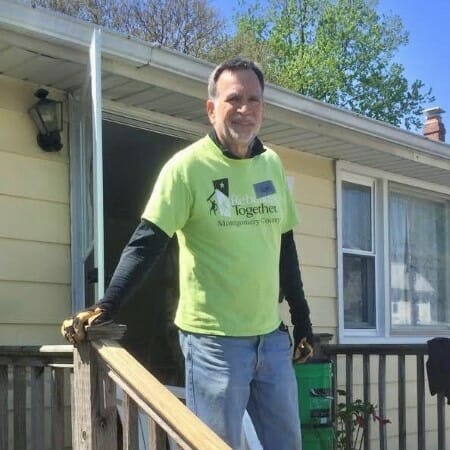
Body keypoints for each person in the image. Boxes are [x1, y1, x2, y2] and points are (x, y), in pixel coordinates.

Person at [62, 57, 314, 449]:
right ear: (211, 108)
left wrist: (303, 321)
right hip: (214, 345)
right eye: (234, 99)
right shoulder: (186, 168)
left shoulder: (271, 165)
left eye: (254, 99)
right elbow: (146, 243)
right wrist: (107, 305)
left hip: (271, 339)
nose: (245, 109)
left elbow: (285, 246)